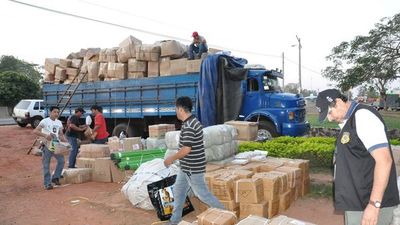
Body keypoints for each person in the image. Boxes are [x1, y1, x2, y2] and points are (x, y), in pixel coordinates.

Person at [316, 89, 399, 225]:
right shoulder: (349, 120)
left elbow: (384, 161)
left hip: (368, 202)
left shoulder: (363, 117)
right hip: (357, 201)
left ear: (338, 102)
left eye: (330, 112)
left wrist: (374, 205)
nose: (330, 119)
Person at [164, 96, 224, 225]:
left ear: (180, 109)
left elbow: (186, 149)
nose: (175, 111)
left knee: (202, 194)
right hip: (185, 167)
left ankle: (226, 214)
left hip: (192, 168)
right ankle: (175, 220)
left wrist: (171, 158)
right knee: (179, 191)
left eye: (176, 109)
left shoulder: (190, 125)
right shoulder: (190, 122)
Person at [33, 106, 67, 190]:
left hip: (56, 145)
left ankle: (55, 177)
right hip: (47, 145)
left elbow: (61, 134)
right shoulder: (44, 121)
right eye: (54, 112)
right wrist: (45, 135)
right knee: (46, 164)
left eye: (57, 112)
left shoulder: (59, 122)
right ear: (50, 112)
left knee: (61, 161)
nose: (56, 114)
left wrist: (66, 142)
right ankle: (47, 183)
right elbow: (35, 131)